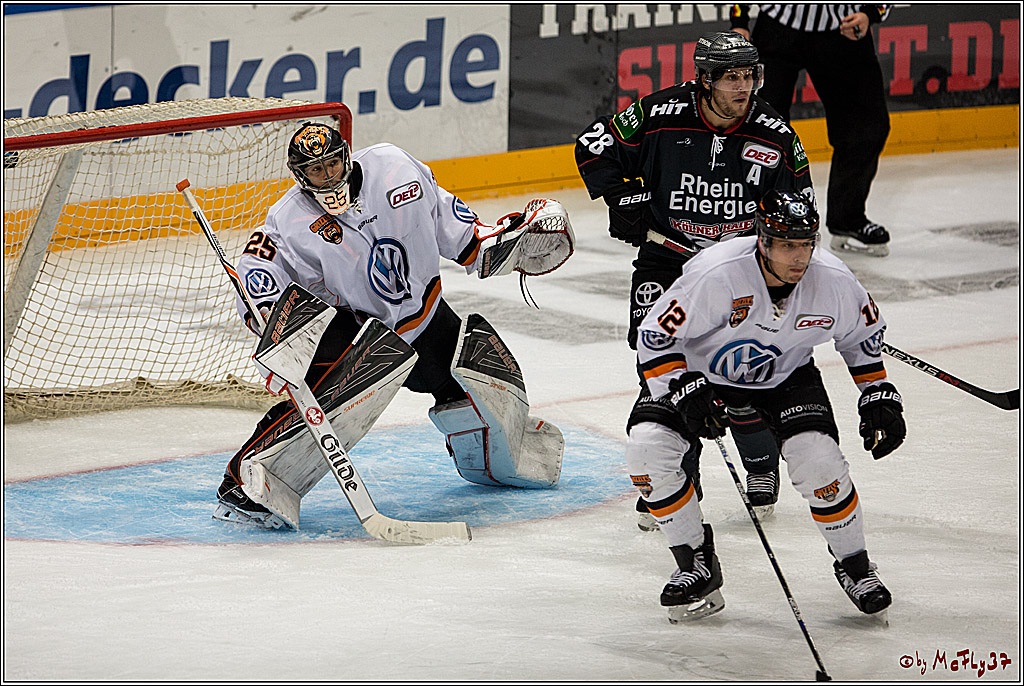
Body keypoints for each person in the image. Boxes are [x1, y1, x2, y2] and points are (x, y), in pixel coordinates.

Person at [214, 121, 575, 529]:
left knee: (488, 376)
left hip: (425, 318)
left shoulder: (395, 168)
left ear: (346, 156)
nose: (329, 176)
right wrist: (276, 327)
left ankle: (496, 464)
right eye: (316, 171)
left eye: (333, 163)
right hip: (357, 333)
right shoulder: (289, 221)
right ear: (299, 175)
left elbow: (464, 235)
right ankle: (245, 485)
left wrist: (510, 240)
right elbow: (258, 272)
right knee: (334, 403)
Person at [627, 188, 905, 623]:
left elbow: (860, 337)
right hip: (701, 375)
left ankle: (855, 567)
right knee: (647, 449)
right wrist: (683, 386)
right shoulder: (716, 274)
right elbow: (655, 335)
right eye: (787, 245)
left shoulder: (832, 279)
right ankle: (695, 562)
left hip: (783, 374)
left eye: (806, 244)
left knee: (818, 461)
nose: (799, 257)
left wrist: (877, 393)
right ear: (763, 240)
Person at [574, 31, 814, 526]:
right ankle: (680, 475)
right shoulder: (659, 114)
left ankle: (761, 457)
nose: (743, 87)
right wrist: (623, 198)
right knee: (659, 364)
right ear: (705, 80)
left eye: (750, 75)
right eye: (731, 77)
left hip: (739, 269)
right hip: (667, 263)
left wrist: (782, 269)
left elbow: (800, 209)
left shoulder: (775, 133)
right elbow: (591, 147)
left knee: (736, 367)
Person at [730, 4, 893, 256]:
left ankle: (847, 219)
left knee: (867, 128)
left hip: (843, 28)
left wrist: (872, 13)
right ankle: (757, 218)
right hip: (778, 26)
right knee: (760, 130)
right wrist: (739, 21)